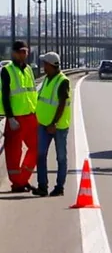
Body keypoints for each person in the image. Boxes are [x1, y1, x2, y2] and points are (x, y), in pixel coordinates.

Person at [0, 41, 38, 193]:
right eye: (20, 52)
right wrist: (10, 117)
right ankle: (17, 183)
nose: (23, 54)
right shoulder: (7, 70)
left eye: (25, 52)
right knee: (14, 152)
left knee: (36, 148)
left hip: (30, 115)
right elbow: (5, 96)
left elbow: (32, 92)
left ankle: (22, 179)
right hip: (15, 118)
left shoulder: (28, 69)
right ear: (14, 53)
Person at [32, 52, 71, 197]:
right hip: (43, 124)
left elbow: (61, 104)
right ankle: (42, 186)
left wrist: (53, 123)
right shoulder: (47, 79)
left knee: (61, 157)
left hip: (58, 126)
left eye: (45, 64)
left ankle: (59, 187)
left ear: (51, 65)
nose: (43, 66)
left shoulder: (63, 81)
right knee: (41, 155)